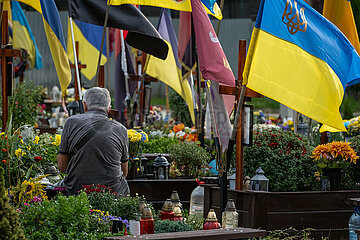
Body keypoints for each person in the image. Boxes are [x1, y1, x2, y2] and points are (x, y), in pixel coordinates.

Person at [57, 87, 129, 196]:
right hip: (112, 193)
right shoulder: (121, 129)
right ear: (109, 108)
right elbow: (124, 172)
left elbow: (62, 166)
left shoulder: (71, 122)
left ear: (84, 105)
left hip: (77, 191)